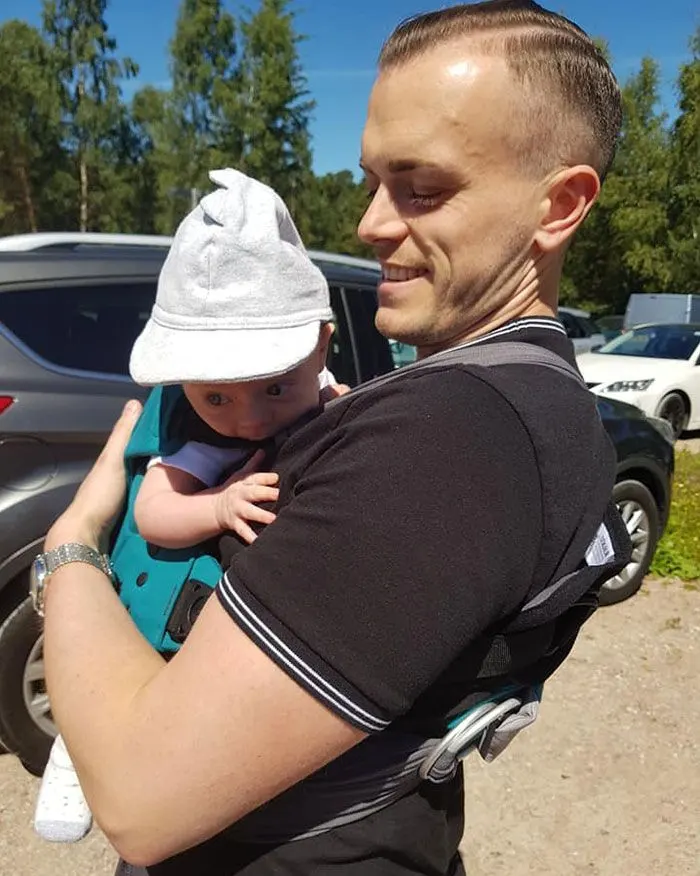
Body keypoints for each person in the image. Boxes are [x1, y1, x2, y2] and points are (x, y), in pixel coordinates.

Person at [37, 2, 630, 873]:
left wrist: (70, 545)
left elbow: (136, 794)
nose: (371, 224)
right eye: (373, 182)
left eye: (422, 187)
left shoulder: (454, 436)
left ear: (561, 204)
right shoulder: (533, 398)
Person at [33, 167, 340, 844]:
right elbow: (154, 513)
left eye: (276, 388)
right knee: (106, 696)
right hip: (146, 607)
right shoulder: (192, 430)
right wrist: (220, 506)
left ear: (320, 345)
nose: (247, 417)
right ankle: (71, 751)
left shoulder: (326, 397)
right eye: (216, 396)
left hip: (212, 635)